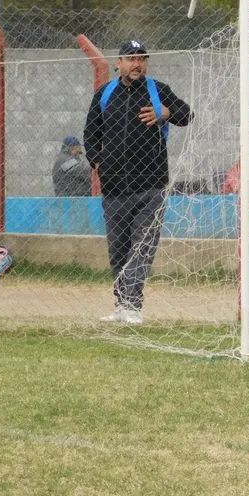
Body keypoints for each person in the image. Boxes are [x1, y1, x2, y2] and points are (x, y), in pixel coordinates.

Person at [83, 40, 193, 325]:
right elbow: (90, 134)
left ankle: (133, 306)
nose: (137, 64)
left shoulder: (158, 90)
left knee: (142, 247)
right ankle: (121, 305)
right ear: (118, 63)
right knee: (118, 250)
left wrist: (165, 113)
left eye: (142, 59)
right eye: (131, 58)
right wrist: (98, 163)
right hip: (114, 189)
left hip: (152, 187)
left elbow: (187, 114)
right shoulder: (105, 94)